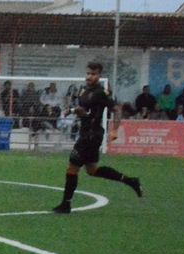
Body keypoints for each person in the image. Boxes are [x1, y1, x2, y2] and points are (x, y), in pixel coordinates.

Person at [52, 62, 142, 213]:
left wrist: (115, 130)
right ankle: (131, 181)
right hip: (87, 132)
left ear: (99, 76)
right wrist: (72, 110)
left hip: (91, 135)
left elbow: (116, 110)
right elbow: (84, 110)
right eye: (88, 73)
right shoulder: (83, 91)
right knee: (92, 170)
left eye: (93, 74)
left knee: (72, 168)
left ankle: (66, 204)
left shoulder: (102, 93)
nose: (89, 76)